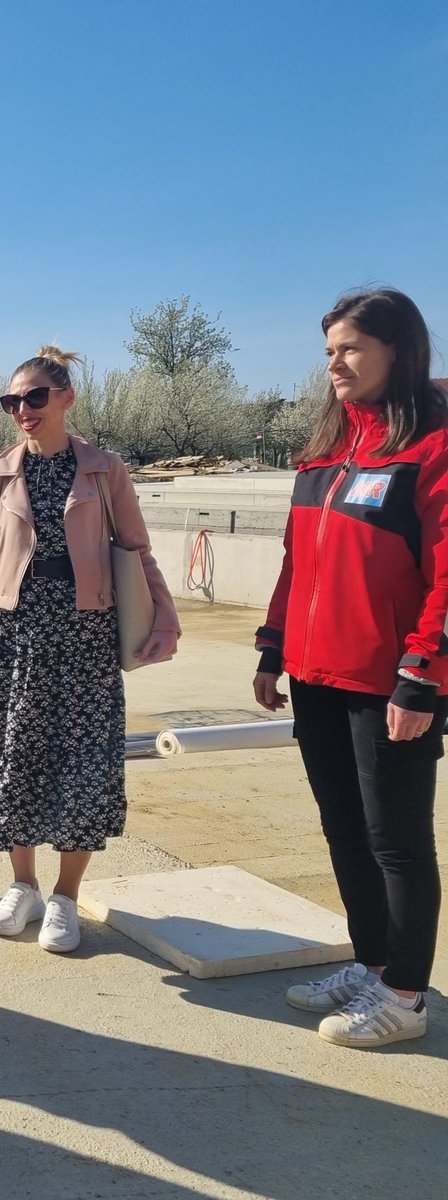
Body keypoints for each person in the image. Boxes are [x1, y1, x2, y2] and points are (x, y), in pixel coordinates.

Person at [256, 289, 448, 1048]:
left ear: (397, 350)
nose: (334, 363)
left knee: (396, 840)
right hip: (315, 674)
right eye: (329, 350)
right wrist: (273, 648)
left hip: (389, 682)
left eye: (350, 348)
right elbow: (296, 563)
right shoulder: (327, 453)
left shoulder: (430, 450)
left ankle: (404, 996)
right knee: (344, 830)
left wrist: (421, 674)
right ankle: (373, 964)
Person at [0, 346, 179, 952]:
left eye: (34, 397)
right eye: (12, 401)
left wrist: (164, 618)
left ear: (66, 398)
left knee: (82, 762)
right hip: (15, 634)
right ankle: (23, 885)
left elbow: (136, 549)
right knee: (18, 757)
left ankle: (64, 897)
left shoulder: (105, 470)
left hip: (85, 633)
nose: (22, 410)